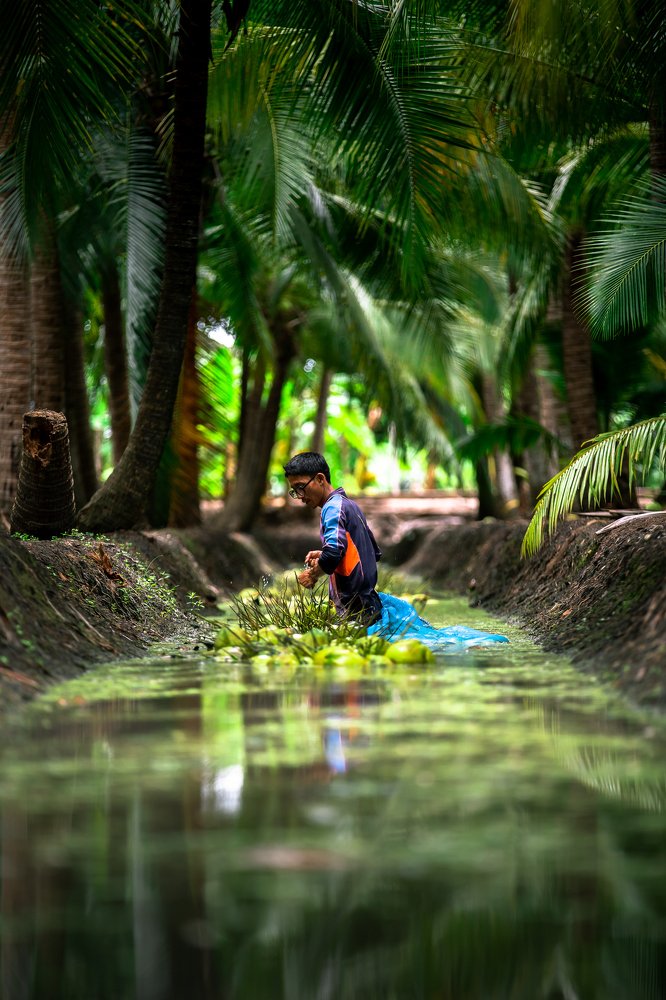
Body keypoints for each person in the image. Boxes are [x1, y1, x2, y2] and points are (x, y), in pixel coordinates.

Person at [283, 452, 382, 625]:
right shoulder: (350, 506)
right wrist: (324, 555)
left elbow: (334, 552)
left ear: (320, 479)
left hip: (355, 608)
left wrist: (313, 575)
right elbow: (371, 552)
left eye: (301, 487)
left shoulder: (332, 508)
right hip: (368, 603)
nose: (299, 496)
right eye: (294, 491)